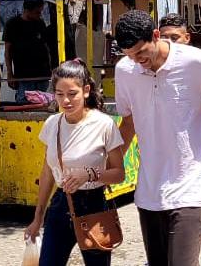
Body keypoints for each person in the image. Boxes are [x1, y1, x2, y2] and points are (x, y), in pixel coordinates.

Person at [113, 11, 201, 266]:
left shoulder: (196, 63)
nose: (138, 61)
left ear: (156, 36)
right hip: (149, 191)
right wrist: (111, 168)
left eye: (141, 52)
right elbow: (128, 123)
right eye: (130, 56)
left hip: (191, 187)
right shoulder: (125, 70)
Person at [24, 61, 126, 266]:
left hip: (94, 204)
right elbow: (47, 173)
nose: (66, 100)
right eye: (59, 94)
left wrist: (89, 174)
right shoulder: (52, 124)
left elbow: (119, 173)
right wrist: (38, 218)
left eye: (72, 93)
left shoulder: (103, 124)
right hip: (61, 204)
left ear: (86, 90)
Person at [158, 13, 201, 266]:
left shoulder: (199, 64)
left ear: (187, 38)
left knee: (198, 212)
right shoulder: (152, 69)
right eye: (164, 38)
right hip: (164, 160)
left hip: (196, 157)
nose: (170, 42)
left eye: (175, 38)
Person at [4, 0, 58, 99]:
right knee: (24, 103)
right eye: (37, 12)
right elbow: (7, 51)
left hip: (42, 74)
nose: (39, 15)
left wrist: (50, 68)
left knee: (43, 103)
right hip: (24, 75)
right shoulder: (12, 24)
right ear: (27, 10)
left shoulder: (40, 23)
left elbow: (46, 47)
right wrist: (10, 73)